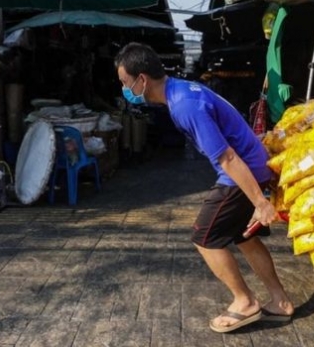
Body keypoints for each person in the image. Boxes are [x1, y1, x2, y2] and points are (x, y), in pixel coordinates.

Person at [114, 42, 294, 333]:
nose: (124, 89)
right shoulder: (181, 90)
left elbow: (228, 157)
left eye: (125, 82)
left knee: (204, 237)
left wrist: (261, 202)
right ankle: (281, 302)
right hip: (253, 166)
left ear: (142, 80)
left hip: (240, 172)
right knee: (244, 237)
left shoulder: (185, 105)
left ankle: (245, 302)